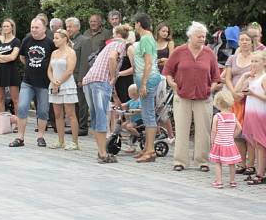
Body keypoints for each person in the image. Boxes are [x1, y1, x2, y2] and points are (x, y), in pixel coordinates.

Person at [163, 20, 218, 170]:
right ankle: (180, 161)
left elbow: (216, 76)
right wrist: (172, 84)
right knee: (181, 129)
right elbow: (167, 71)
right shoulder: (179, 51)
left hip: (203, 96)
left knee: (203, 131)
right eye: (199, 36)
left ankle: (202, 161)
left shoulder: (209, 53)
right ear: (190, 36)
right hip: (182, 96)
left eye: (204, 36)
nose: (202, 39)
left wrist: (211, 89)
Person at [83, 24, 129, 163]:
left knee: (96, 117)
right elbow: (112, 58)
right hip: (101, 81)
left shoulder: (109, 44)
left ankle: (101, 151)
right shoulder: (120, 44)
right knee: (102, 117)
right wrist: (113, 75)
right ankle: (103, 154)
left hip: (89, 80)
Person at [9, 17, 54, 148]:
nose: (33, 30)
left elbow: (53, 60)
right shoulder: (27, 40)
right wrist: (31, 65)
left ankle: (40, 136)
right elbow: (22, 57)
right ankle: (20, 138)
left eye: (37, 27)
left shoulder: (49, 43)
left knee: (43, 111)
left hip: (44, 83)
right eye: (32, 27)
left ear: (44, 28)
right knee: (22, 107)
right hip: (28, 82)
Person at [236, 49, 266, 185]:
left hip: (262, 114)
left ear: (264, 62)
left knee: (261, 144)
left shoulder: (265, 78)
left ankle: (261, 174)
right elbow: (237, 92)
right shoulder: (251, 77)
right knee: (254, 143)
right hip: (251, 113)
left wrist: (253, 94)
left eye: (256, 61)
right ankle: (258, 171)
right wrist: (244, 76)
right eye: (252, 61)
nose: (253, 64)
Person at [133, 13, 166, 163]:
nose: (134, 26)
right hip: (146, 79)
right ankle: (147, 148)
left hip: (148, 79)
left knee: (148, 115)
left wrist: (144, 83)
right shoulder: (149, 38)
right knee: (147, 115)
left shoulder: (146, 39)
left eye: (135, 24)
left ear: (139, 24)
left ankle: (151, 151)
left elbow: (148, 63)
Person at [225, 32, 255, 173]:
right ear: (238, 42)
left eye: (247, 40)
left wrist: (244, 90)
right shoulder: (232, 58)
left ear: (251, 42)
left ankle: (251, 164)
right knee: (237, 132)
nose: (244, 42)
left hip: (250, 98)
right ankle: (241, 163)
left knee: (250, 133)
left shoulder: (255, 58)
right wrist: (233, 92)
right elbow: (228, 78)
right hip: (235, 98)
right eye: (242, 40)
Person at [48, 28, 80, 150]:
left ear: (64, 39)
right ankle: (60, 140)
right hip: (54, 84)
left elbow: (70, 70)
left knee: (70, 114)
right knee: (57, 114)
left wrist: (59, 83)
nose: (54, 40)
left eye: (57, 38)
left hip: (67, 85)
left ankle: (74, 142)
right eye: (54, 38)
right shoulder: (54, 53)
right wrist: (53, 81)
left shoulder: (71, 52)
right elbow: (49, 70)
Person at [209, 89, 242, 189]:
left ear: (218, 103)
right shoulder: (233, 116)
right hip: (230, 144)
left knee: (218, 163)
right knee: (232, 163)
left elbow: (214, 130)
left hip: (219, 143)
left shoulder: (217, 116)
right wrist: (233, 136)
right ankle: (232, 181)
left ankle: (219, 181)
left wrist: (212, 141)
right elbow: (240, 128)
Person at [65, 17, 90, 136]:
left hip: (78, 76)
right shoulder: (67, 41)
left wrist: (81, 78)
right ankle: (75, 125)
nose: (68, 29)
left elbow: (85, 61)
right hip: (69, 76)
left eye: (70, 26)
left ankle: (83, 127)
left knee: (81, 102)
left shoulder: (84, 40)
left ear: (77, 27)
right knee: (72, 102)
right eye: (67, 26)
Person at [0, 19, 21, 115]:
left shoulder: (16, 41)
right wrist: (5, 58)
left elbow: (13, 57)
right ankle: (1, 123)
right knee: (0, 99)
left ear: (12, 27)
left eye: (7, 26)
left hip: (11, 71)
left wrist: (0, 56)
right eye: (4, 26)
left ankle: (18, 123)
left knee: (15, 99)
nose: (5, 28)